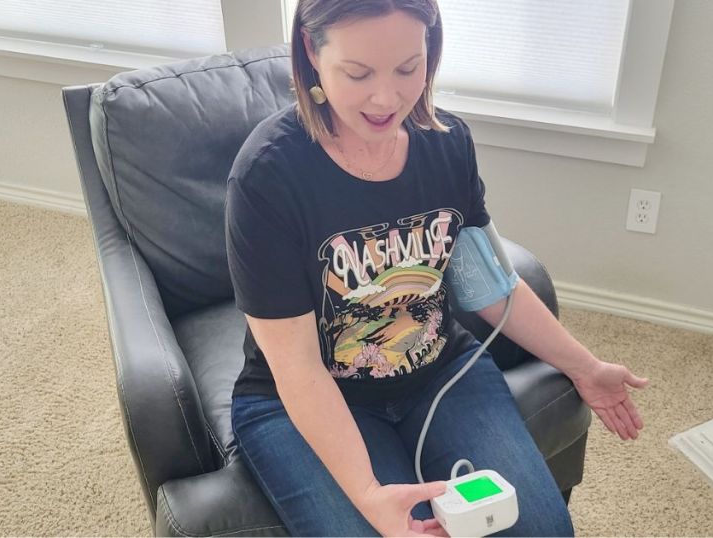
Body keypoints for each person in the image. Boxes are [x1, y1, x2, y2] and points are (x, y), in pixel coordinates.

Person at [225, 1, 649, 535]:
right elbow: (297, 369)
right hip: (302, 402)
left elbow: (490, 289)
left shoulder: (448, 144)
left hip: (440, 375)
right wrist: (368, 494)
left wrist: (586, 367)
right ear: (311, 53)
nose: (388, 98)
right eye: (358, 73)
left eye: (409, 68)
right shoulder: (268, 175)